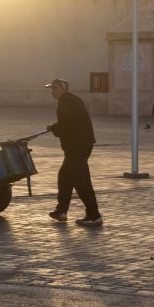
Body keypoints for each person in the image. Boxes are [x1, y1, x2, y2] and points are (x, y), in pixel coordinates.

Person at [44, 78, 103, 226]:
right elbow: (71, 122)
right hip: (82, 144)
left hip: (76, 146)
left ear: (63, 89)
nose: (52, 92)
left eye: (55, 89)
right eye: (51, 89)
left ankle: (94, 215)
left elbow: (66, 128)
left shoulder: (65, 103)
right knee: (64, 176)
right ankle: (61, 211)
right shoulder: (73, 100)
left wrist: (53, 128)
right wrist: (56, 126)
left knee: (81, 181)